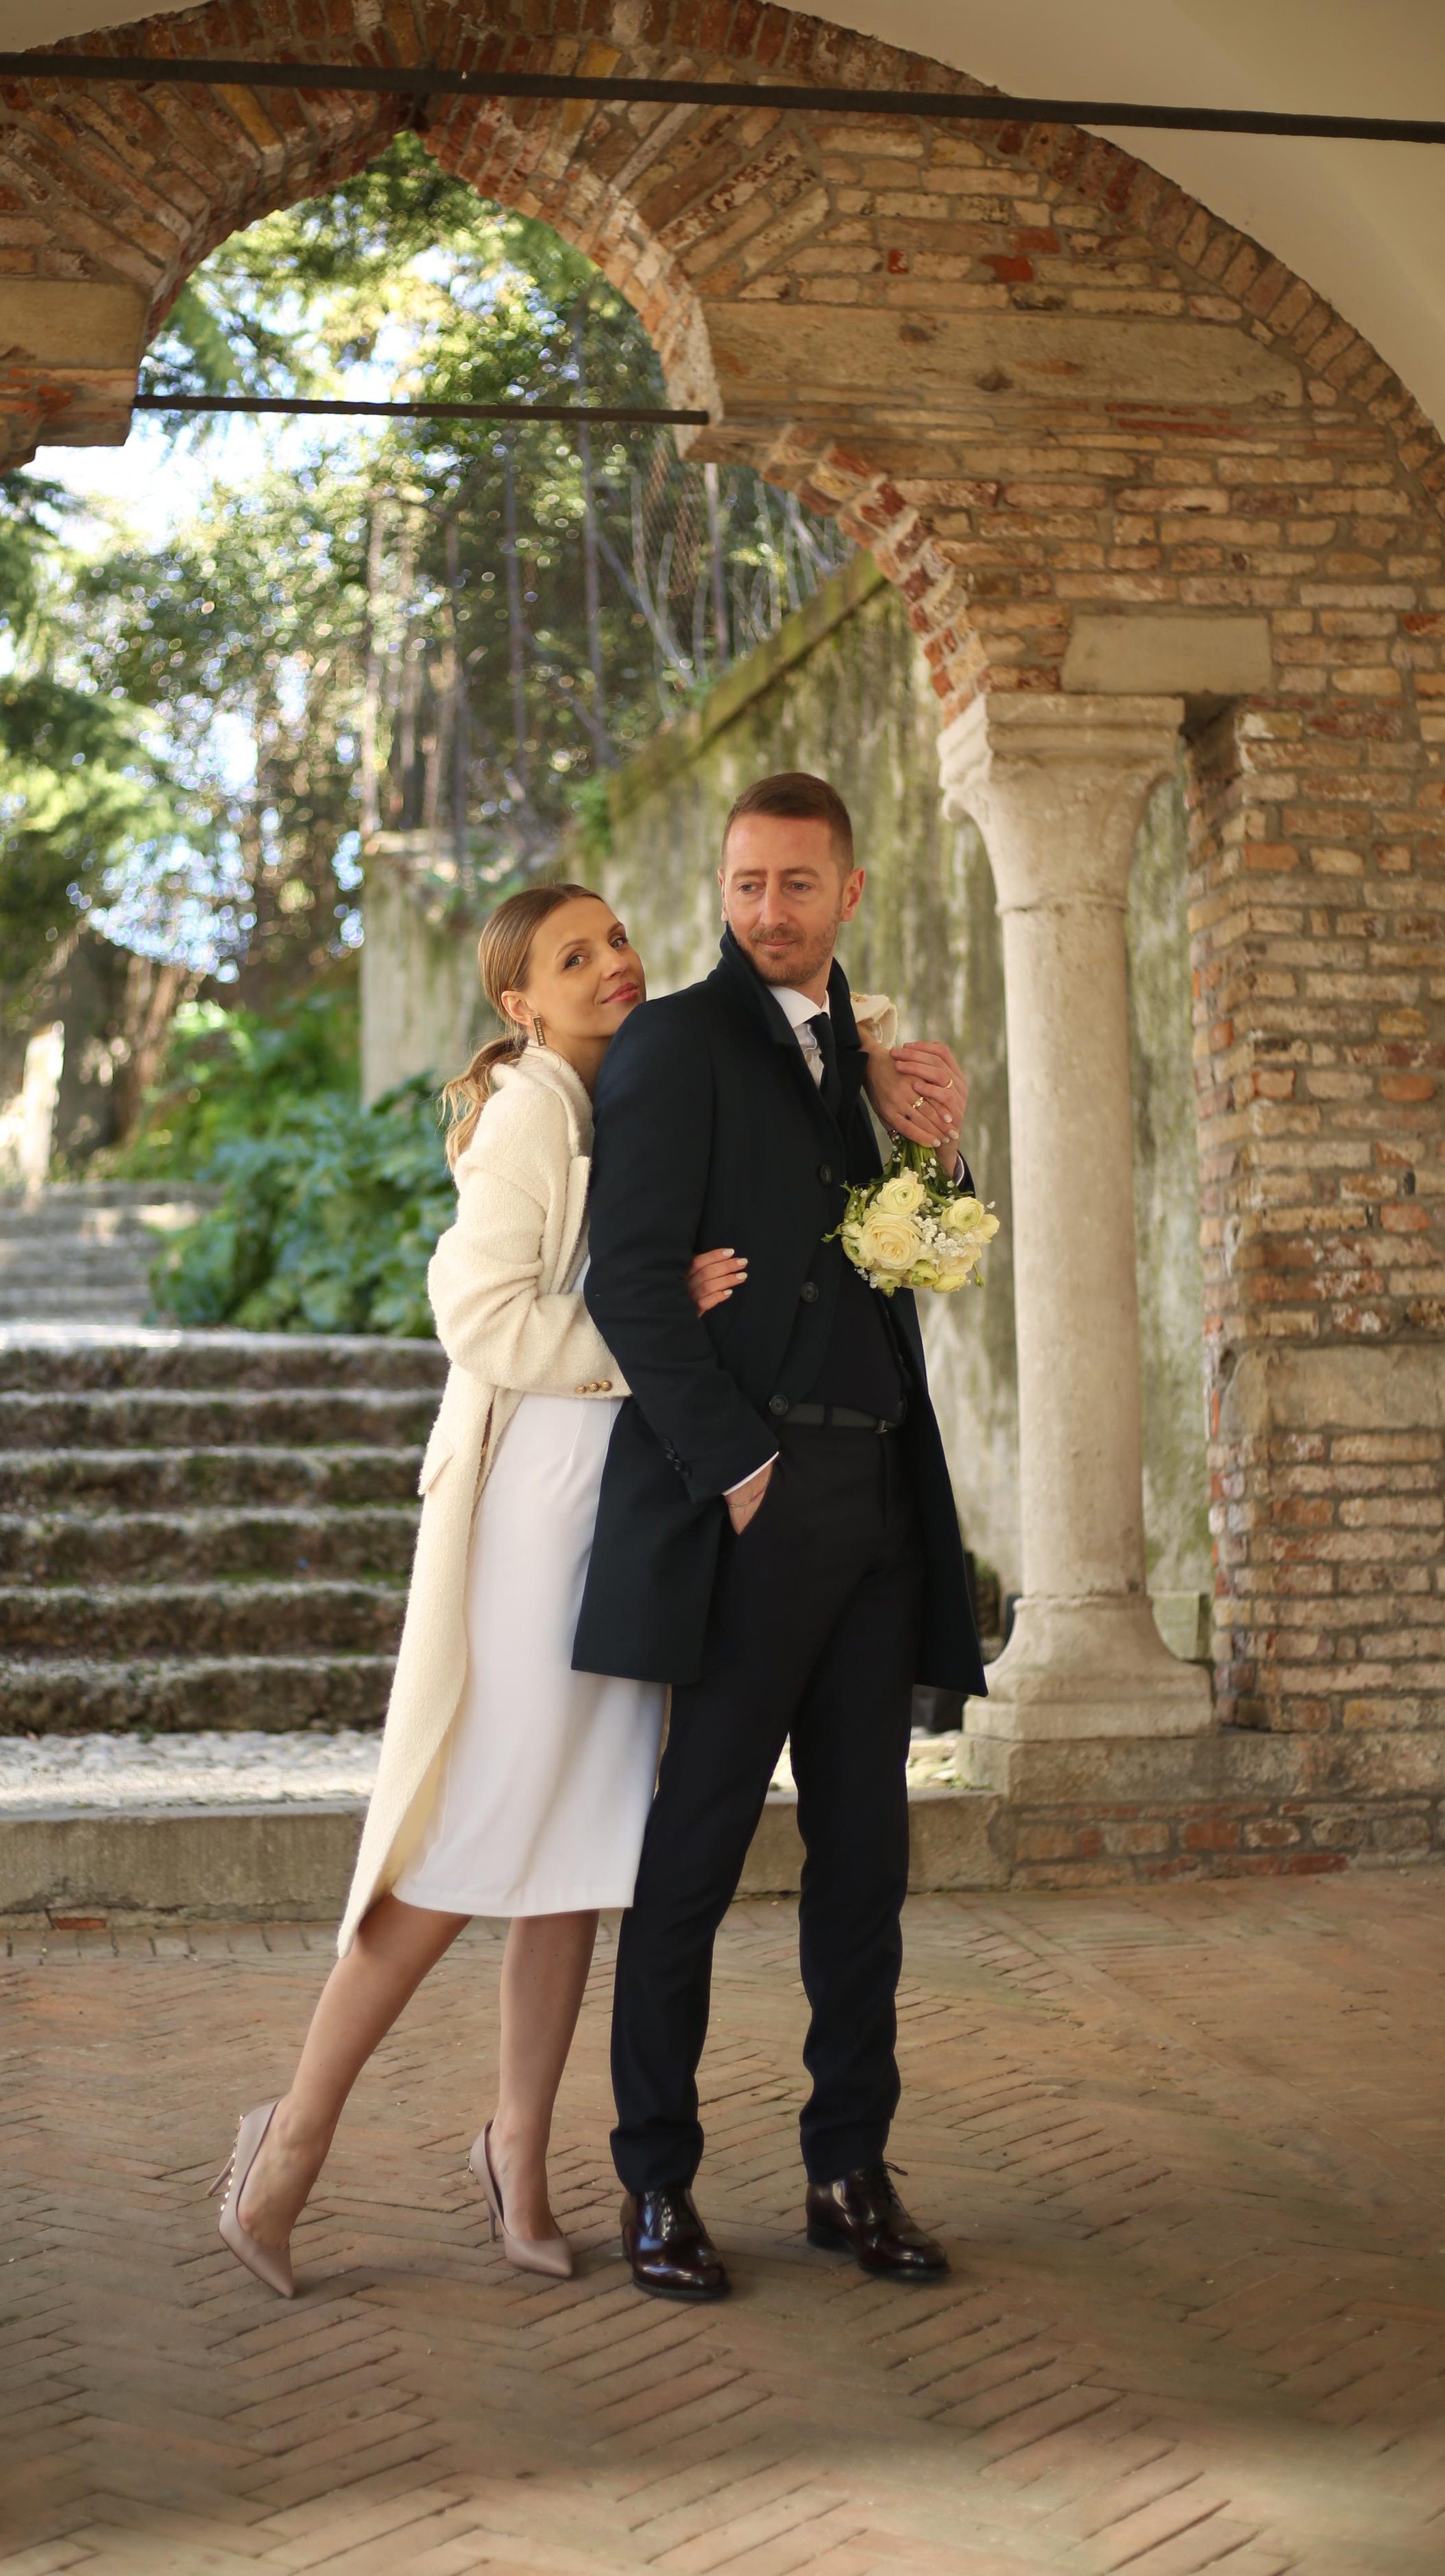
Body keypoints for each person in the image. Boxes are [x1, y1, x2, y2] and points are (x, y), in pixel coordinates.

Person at [211, 882, 747, 2299]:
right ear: (520, 1005)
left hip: (619, 1510)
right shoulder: (528, 1111)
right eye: (575, 957)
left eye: (616, 939)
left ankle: (518, 2153)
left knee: (575, 1853)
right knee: (468, 1841)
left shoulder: (618, 1088)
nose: (614, 962)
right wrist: (653, 1331)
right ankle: (288, 2142)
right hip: (534, 1511)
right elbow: (481, 1314)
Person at [573, 771, 987, 2300]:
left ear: (848, 894)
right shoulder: (675, 1044)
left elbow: (917, 1263)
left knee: (864, 1860)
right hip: (754, 1508)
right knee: (691, 1853)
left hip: (877, 1503)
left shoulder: (862, 1060)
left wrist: (938, 1155)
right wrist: (736, 1468)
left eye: (796, 884)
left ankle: (847, 2169)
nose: (766, 910)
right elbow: (627, 1282)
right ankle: (656, 2184)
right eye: (745, 883)